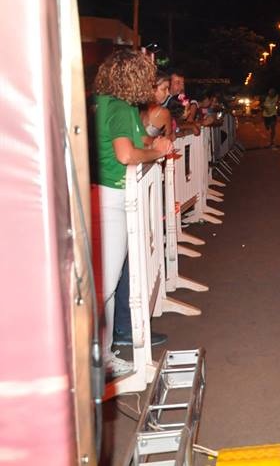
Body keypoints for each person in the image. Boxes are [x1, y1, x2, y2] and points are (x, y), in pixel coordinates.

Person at [91, 50, 173, 378]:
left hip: (100, 191)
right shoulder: (121, 107)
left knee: (104, 280)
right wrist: (156, 152)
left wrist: (153, 145)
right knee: (107, 283)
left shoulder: (102, 101)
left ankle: (101, 351)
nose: (150, 83)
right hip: (113, 195)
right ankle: (101, 358)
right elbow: (126, 154)